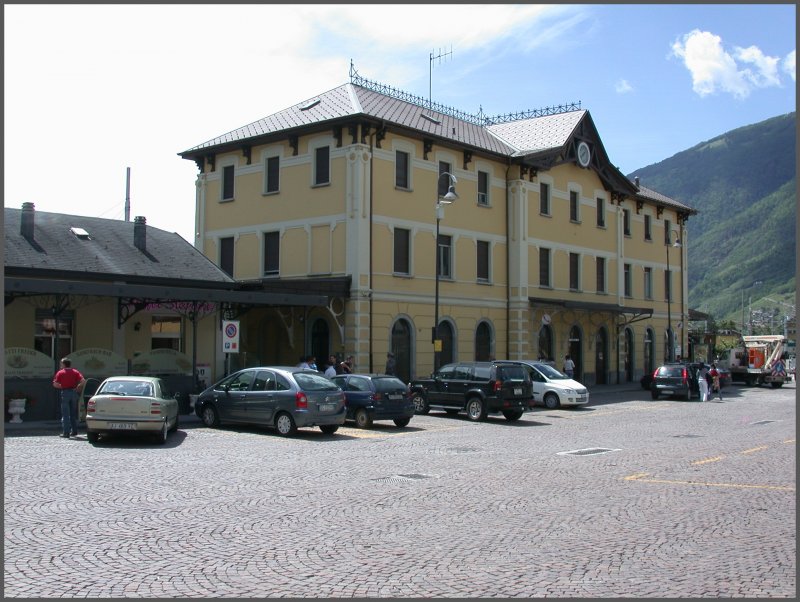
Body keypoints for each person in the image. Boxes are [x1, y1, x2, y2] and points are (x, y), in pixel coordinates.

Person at [52, 357, 86, 438]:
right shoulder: (75, 372)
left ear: (64, 364)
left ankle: (66, 432)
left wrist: (62, 386)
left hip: (65, 392)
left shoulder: (61, 372)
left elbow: (55, 384)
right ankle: (74, 431)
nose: (60, 365)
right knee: (72, 413)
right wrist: (78, 387)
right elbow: (83, 381)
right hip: (74, 392)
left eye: (61, 364)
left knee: (65, 413)